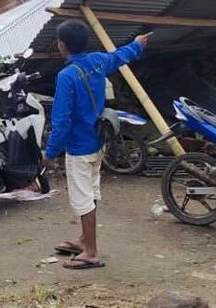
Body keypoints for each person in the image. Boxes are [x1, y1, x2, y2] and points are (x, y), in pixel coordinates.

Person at [42, 19, 148, 270]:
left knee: (83, 198)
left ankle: (90, 251)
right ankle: (82, 240)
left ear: (62, 45)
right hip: (98, 141)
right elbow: (120, 56)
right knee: (91, 192)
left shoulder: (66, 76)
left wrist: (50, 152)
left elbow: (61, 120)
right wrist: (137, 45)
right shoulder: (98, 61)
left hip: (79, 147)